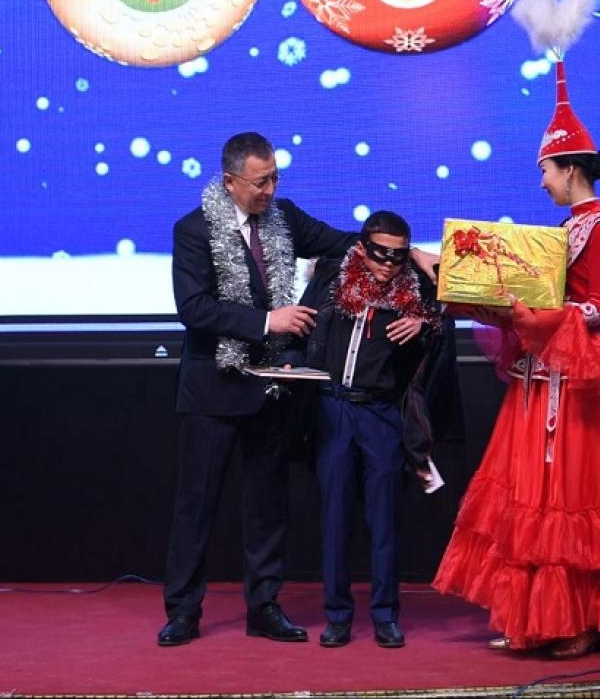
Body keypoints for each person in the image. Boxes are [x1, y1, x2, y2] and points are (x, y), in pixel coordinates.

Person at [432, 58, 600, 658]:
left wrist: (538, 317)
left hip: (574, 381)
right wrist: (485, 297)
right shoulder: (564, 231)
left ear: (569, 169)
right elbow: (541, 301)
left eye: (545, 170)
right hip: (543, 377)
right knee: (536, 494)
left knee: (569, 495)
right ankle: (543, 617)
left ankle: (578, 620)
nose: (541, 182)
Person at [159, 132, 437, 647]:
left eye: (274, 178)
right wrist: (270, 321)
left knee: (267, 505)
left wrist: (412, 253)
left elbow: (343, 242)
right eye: (260, 182)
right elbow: (193, 308)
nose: (270, 190)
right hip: (212, 390)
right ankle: (182, 611)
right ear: (230, 182)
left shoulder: (283, 217)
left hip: (271, 388)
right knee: (197, 506)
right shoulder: (193, 230)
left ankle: (264, 607)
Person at [296, 210, 441, 649]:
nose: (389, 264)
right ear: (361, 249)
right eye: (380, 254)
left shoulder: (416, 291)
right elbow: (301, 327)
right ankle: (337, 616)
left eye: (399, 256)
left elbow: (447, 327)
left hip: (380, 414)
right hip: (334, 408)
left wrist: (425, 324)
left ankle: (385, 615)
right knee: (335, 518)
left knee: (384, 520)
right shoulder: (333, 277)